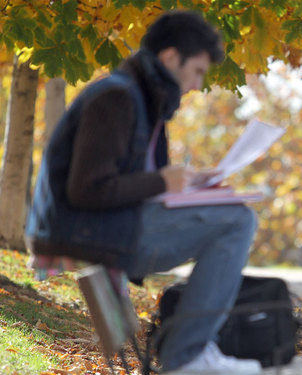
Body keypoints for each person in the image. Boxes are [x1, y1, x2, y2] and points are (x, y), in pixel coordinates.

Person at [25, 11, 262, 375]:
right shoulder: (117, 98)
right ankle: (188, 356)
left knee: (233, 215)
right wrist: (164, 182)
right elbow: (87, 189)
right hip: (83, 234)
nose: (198, 85)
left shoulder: (142, 98)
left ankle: (192, 350)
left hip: (102, 227)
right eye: (197, 71)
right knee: (238, 221)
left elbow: (135, 181)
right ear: (170, 58)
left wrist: (193, 183)